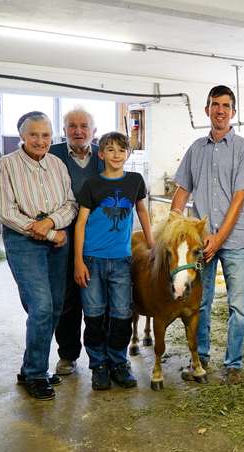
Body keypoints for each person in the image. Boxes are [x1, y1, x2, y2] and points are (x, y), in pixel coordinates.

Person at [172, 85, 244, 385]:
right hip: (200, 242)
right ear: (206, 110)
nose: (220, 110)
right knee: (201, 301)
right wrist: (175, 230)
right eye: (214, 105)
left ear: (233, 112)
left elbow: (239, 199)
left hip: (236, 241)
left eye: (225, 105)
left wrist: (218, 237)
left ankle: (233, 364)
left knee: (237, 305)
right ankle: (201, 359)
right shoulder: (196, 148)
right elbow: (181, 192)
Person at [0, 111, 78, 400]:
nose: (40, 141)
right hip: (23, 242)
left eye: (45, 135)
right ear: (22, 136)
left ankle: (32, 366)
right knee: (41, 307)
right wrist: (48, 231)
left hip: (57, 240)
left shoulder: (57, 164)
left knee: (55, 306)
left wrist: (52, 223)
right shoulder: (6, 165)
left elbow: (71, 204)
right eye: (34, 134)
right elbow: (7, 213)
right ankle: (34, 373)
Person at [74, 132, 154, 391]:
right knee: (94, 315)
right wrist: (78, 261)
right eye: (110, 150)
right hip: (92, 259)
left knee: (121, 313)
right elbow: (81, 223)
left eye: (121, 150)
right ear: (101, 154)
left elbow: (142, 211)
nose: (116, 155)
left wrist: (152, 245)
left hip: (121, 260)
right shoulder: (92, 184)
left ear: (128, 154)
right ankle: (98, 365)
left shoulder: (134, 181)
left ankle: (119, 363)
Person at [49, 108, 104, 376]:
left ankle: (100, 354)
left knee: (96, 297)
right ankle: (68, 354)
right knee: (66, 298)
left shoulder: (104, 155)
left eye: (84, 126)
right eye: (72, 126)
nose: (78, 131)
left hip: (97, 237)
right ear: (64, 129)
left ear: (94, 130)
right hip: (62, 236)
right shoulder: (52, 154)